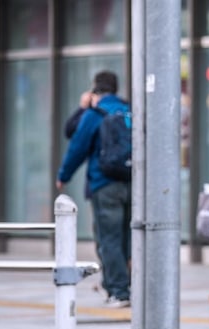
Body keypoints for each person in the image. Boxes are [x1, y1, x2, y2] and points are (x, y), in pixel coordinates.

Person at [57, 71, 132, 308]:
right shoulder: (128, 110)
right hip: (132, 183)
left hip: (104, 183)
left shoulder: (94, 113)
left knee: (108, 239)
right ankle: (119, 284)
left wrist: (63, 175)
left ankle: (118, 291)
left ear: (95, 90)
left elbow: (76, 144)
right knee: (127, 238)